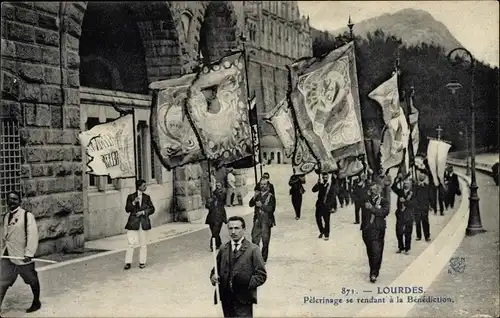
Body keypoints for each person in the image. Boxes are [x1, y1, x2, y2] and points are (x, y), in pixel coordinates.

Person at [210, 216, 267, 317]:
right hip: (226, 298)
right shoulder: (223, 248)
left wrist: (246, 285)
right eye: (230, 228)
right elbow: (216, 269)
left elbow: (261, 275)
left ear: (244, 229)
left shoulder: (253, 249)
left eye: (237, 228)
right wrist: (213, 277)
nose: (233, 232)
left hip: (243, 299)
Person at [0, 191, 41, 313]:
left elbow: (33, 235)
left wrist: (29, 253)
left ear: (19, 201)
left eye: (14, 199)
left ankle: (36, 302)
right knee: (3, 281)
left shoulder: (27, 216)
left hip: (22, 255)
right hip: (8, 255)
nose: (11, 201)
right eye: (9, 199)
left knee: (31, 279)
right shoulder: (6, 216)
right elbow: (4, 236)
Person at [360, 182, 390, 283]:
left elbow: (384, 212)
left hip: (378, 230)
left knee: (376, 251)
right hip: (367, 230)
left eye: (376, 189)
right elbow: (357, 195)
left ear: (379, 191)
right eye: (372, 189)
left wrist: (371, 209)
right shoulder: (365, 199)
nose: (374, 191)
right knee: (370, 252)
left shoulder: (384, 201)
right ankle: (373, 268)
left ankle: (374, 273)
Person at [124, 179, 155, 270]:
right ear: (139, 186)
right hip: (133, 223)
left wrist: (143, 212)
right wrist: (133, 202)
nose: (145, 187)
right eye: (144, 185)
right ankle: (128, 262)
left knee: (143, 244)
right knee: (131, 243)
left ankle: (142, 262)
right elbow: (127, 209)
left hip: (143, 223)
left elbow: (152, 209)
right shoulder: (131, 196)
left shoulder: (147, 197)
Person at [250, 179, 276, 263]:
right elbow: (250, 204)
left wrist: (261, 206)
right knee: (254, 239)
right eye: (261, 184)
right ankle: (256, 257)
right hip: (257, 220)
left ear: (268, 186)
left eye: (264, 184)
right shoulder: (257, 195)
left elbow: (271, 209)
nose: (262, 186)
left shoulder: (271, 196)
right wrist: (254, 197)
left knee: (265, 240)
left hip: (266, 220)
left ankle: (263, 258)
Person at [391, 176, 415, 254]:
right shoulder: (400, 191)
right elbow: (393, 187)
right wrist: (397, 180)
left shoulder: (413, 193)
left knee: (408, 232)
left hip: (408, 214)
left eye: (407, 184)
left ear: (410, 185)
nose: (406, 185)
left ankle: (407, 249)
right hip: (400, 214)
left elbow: (414, 204)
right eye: (404, 183)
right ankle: (401, 247)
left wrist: (405, 201)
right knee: (398, 231)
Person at [312, 173, 337, 241]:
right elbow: (313, 190)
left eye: (326, 177)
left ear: (328, 178)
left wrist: (334, 207)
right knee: (317, 218)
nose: (324, 178)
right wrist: (317, 183)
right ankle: (322, 230)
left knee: (326, 221)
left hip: (327, 206)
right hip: (319, 205)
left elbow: (333, 197)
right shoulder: (321, 184)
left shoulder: (331, 186)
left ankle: (327, 235)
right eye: (324, 177)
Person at [205, 182, 228, 251]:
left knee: (215, 231)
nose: (218, 187)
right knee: (214, 232)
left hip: (219, 216)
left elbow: (221, 197)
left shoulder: (223, 194)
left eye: (219, 186)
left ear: (221, 187)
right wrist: (208, 202)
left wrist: (214, 190)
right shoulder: (213, 196)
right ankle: (219, 243)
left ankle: (213, 245)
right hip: (211, 217)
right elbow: (207, 206)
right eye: (217, 186)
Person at [414, 169, 432, 242]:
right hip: (417, 207)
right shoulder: (415, 186)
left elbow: (430, 196)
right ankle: (419, 236)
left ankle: (427, 236)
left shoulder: (427, 186)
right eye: (420, 176)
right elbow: (413, 196)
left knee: (425, 222)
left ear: (424, 177)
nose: (421, 177)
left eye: (422, 176)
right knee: (417, 222)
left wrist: (430, 205)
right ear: (418, 177)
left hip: (424, 207)